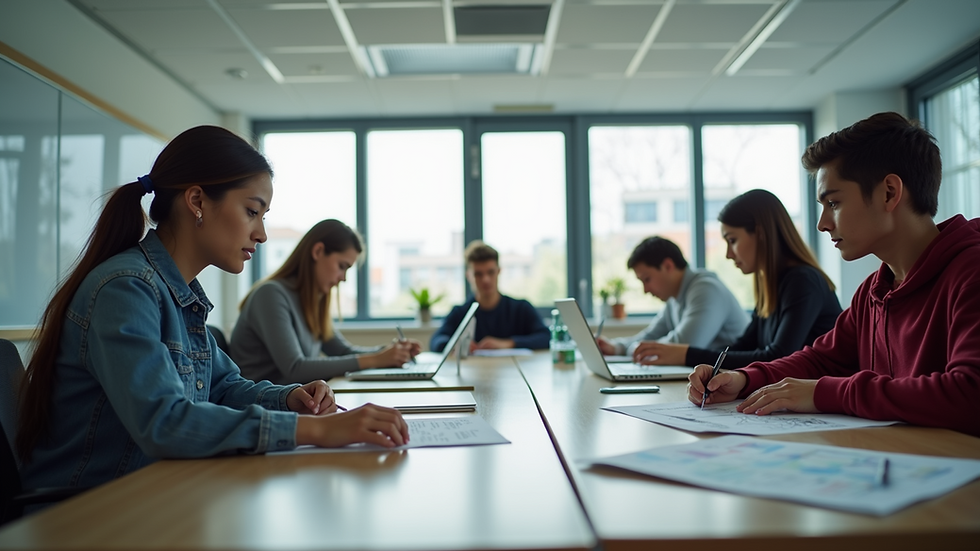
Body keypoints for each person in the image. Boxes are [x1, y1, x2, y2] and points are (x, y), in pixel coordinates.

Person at [17, 126, 409, 493]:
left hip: (156, 493)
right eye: (252, 212)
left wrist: (292, 398)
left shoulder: (180, 294)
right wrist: (318, 431)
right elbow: (164, 422)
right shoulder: (126, 289)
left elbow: (223, 387)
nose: (262, 233)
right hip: (90, 511)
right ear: (197, 201)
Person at [688, 112, 980, 437]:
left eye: (834, 203)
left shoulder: (971, 272)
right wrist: (743, 379)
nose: (822, 223)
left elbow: (971, 394)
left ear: (889, 193)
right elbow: (820, 361)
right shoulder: (874, 290)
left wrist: (822, 393)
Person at [634, 189, 841, 369]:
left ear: (760, 233)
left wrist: (687, 354)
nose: (728, 254)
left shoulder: (802, 281)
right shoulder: (772, 286)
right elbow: (744, 346)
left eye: (732, 240)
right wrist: (696, 360)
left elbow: (778, 357)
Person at [231, 219, 421, 384]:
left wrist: (390, 352)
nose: (343, 278)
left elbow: (342, 351)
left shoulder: (312, 301)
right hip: (264, 411)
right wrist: (377, 359)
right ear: (318, 251)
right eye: (342, 266)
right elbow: (295, 368)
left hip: (292, 405)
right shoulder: (270, 295)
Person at [596, 237, 748, 357]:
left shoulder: (706, 289)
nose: (645, 290)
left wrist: (635, 350)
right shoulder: (674, 299)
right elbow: (651, 336)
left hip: (733, 381)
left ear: (668, 266)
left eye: (647, 279)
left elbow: (682, 347)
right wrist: (616, 348)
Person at [430, 240, 550, 352]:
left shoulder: (521, 308)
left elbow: (546, 337)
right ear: (468, 276)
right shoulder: (460, 312)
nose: (486, 279)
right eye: (478, 274)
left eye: (490, 272)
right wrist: (455, 345)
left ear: (499, 271)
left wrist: (509, 343)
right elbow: (436, 341)